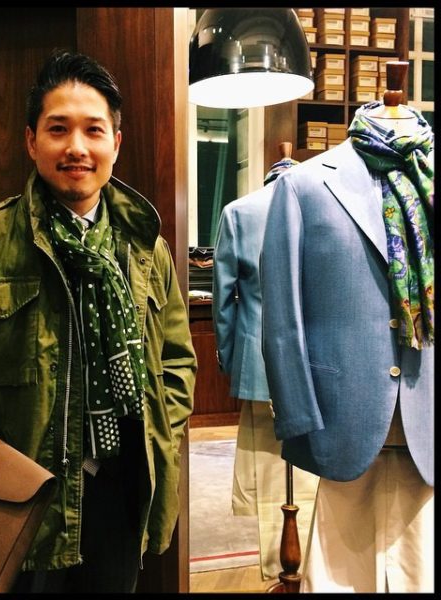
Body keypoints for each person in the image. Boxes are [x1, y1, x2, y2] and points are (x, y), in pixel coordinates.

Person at [0, 49, 197, 594]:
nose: (77, 147)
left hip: (122, 491)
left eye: (93, 130)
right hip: (18, 501)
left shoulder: (146, 251)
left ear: (116, 143)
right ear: (31, 141)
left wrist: (160, 428)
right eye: (58, 129)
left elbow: (176, 360)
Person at [260, 100, 434, 592]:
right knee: (339, 570)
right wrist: (297, 413)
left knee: (423, 565)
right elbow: (282, 316)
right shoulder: (305, 185)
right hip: (342, 413)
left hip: (428, 411)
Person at [212, 147, 318, 581]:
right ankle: (306, 566)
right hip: (315, 360)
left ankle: (278, 566)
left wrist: (228, 355)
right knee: (311, 467)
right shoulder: (324, 204)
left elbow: (224, 299)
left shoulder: (239, 212)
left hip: (258, 359)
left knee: (268, 461)